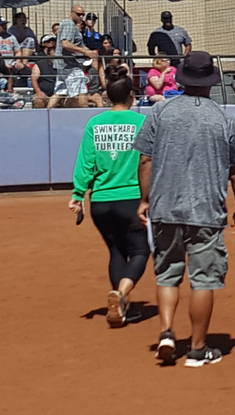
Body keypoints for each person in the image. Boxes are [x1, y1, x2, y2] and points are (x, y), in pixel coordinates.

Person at [133, 50, 235, 367]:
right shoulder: (223, 119)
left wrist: (145, 199)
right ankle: (198, 349)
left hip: (165, 205)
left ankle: (167, 332)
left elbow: (145, 159)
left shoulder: (160, 113)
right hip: (206, 211)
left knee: (167, 274)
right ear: (211, 81)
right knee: (204, 280)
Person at [69, 67, 148, 328]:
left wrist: (78, 194)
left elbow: (85, 163)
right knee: (139, 250)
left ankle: (122, 307)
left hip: (100, 201)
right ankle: (122, 294)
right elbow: (149, 162)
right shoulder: (141, 123)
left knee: (116, 250)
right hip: (132, 197)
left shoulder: (95, 123)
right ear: (131, 96)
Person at [55, 4, 97, 108]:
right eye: (79, 14)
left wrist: (88, 51)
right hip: (70, 66)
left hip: (64, 65)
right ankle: (82, 115)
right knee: (80, 91)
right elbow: (65, 44)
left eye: (83, 14)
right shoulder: (69, 24)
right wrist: (85, 52)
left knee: (60, 93)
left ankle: (47, 114)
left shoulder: (69, 24)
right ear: (72, 13)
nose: (82, 17)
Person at [31, 34, 58, 108]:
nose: (55, 52)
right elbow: (34, 79)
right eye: (52, 49)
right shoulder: (40, 64)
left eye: (55, 48)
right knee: (38, 100)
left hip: (59, 95)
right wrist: (39, 92)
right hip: (44, 94)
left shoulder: (63, 65)